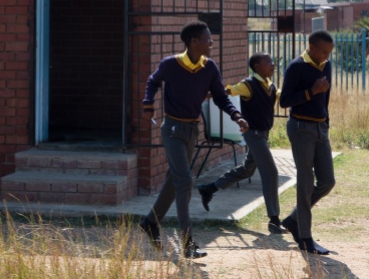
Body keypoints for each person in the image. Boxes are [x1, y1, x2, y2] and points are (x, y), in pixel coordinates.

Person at [139, 21, 249, 259]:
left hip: (191, 131)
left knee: (175, 181)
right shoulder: (171, 64)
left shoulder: (209, 67)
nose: (211, 42)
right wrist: (148, 103)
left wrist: (236, 115)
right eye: (207, 38)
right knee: (184, 181)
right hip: (172, 130)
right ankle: (187, 242)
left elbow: (220, 97)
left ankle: (150, 222)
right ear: (193, 42)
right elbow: (153, 81)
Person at [196, 52, 289, 235]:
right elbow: (227, 92)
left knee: (247, 170)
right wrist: (204, 94)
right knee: (271, 173)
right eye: (268, 62)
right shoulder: (248, 85)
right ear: (257, 66)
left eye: (272, 62)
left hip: (263, 134)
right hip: (253, 134)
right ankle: (274, 220)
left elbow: (284, 98)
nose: (272, 64)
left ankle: (209, 189)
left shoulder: (270, 86)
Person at [279, 30, 336, 255]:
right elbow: (284, 101)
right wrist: (312, 91)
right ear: (311, 47)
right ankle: (305, 238)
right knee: (305, 182)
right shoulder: (296, 67)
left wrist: (326, 122)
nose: (326, 56)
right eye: (323, 52)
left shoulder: (326, 66)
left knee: (327, 181)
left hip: (321, 128)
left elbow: (326, 99)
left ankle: (293, 220)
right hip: (301, 128)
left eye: (329, 53)